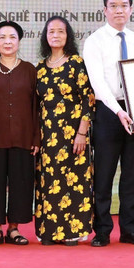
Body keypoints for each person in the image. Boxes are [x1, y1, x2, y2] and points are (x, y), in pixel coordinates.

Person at [82, 0, 134, 247]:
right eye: (114, 5)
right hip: (108, 113)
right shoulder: (95, 40)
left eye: (124, 5)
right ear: (105, 10)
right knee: (104, 175)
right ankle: (102, 230)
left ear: (131, 9)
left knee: (133, 175)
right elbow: (97, 83)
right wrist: (119, 111)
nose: (119, 10)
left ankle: (130, 230)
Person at [35, 16, 95, 246]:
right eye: (51, 31)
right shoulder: (40, 68)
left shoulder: (76, 63)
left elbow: (88, 101)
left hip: (73, 134)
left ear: (67, 36)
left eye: (61, 31)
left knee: (74, 181)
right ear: (45, 36)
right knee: (49, 181)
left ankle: (73, 231)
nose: (56, 35)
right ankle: (49, 231)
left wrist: (82, 133)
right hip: (47, 136)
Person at [0, 21, 39, 246]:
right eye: (2, 37)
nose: (7, 41)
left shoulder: (30, 70)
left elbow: (36, 106)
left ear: (19, 41)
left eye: (12, 37)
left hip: (23, 136)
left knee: (20, 182)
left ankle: (14, 228)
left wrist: (36, 137)